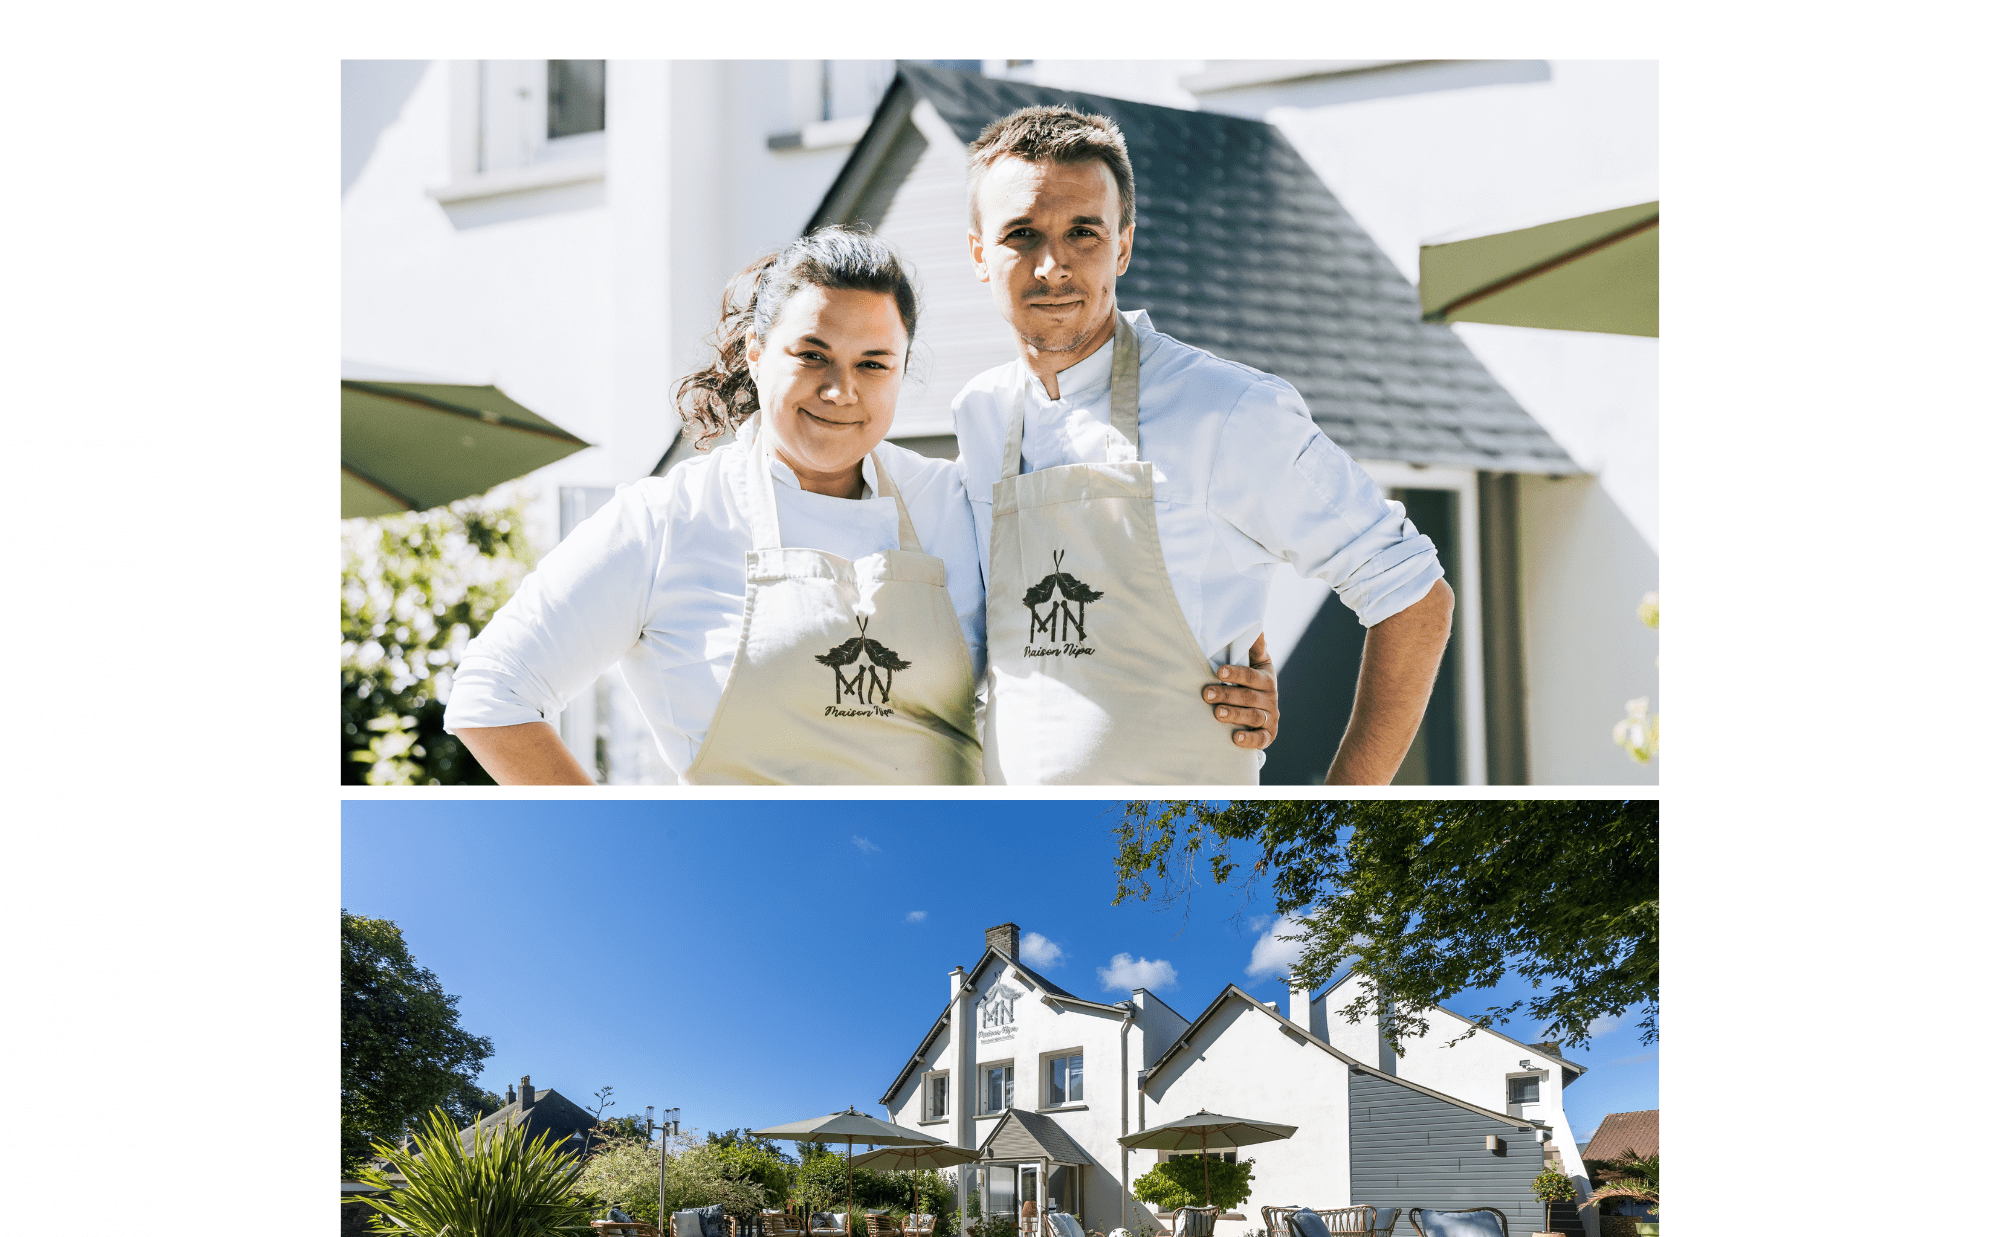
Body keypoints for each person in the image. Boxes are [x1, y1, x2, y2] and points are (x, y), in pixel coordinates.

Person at [444, 227, 1275, 784]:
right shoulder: (667, 520)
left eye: (875, 363)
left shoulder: (953, 501)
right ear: (754, 352)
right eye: (814, 356)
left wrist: (1217, 680)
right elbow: (490, 696)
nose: (842, 391)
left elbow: (1077, 639)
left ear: (904, 369)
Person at [953, 106, 1455, 786]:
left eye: (1083, 233)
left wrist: (1340, 819)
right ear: (981, 254)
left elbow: (1414, 596)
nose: (1053, 266)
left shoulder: (1228, 408)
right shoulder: (980, 416)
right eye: (1022, 235)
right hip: (1020, 855)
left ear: (1123, 246)